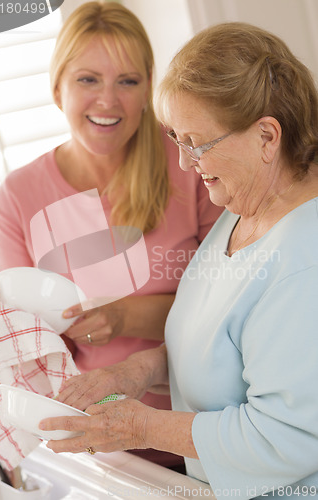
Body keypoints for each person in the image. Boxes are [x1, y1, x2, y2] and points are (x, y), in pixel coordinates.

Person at [38, 21, 318, 499]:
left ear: (267, 137)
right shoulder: (239, 211)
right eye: (177, 140)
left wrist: (144, 428)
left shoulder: (304, 262)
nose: (186, 163)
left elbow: (286, 438)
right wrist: (140, 370)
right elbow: (223, 353)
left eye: (198, 143)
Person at [0, 2, 221, 470]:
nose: (108, 101)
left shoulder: (190, 164)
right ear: (58, 88)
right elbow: (20, 344)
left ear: (147, 89)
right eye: (88, 79)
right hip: (99, 445)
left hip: (205, 426)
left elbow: (228, 310)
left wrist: (121, 317)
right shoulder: (19, 197)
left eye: (128, 81)